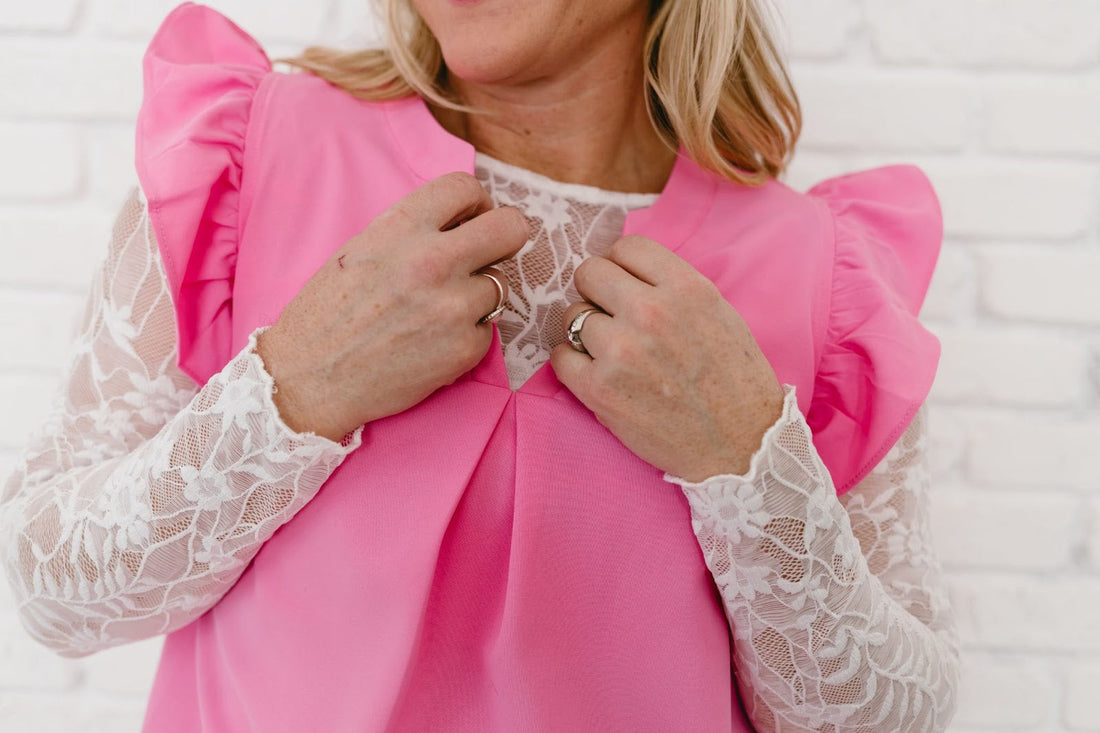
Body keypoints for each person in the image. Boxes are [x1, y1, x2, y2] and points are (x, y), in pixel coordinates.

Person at [0, 0, 960, 730]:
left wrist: (752, 463)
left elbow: (890, 714)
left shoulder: (826, 277)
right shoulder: (251, 151)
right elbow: (50, 588)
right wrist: (292, 388)